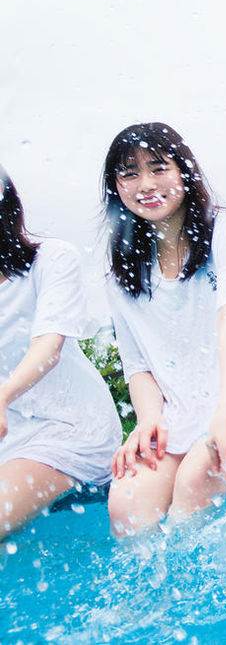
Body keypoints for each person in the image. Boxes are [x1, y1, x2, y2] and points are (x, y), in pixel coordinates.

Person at [103, 123, 226, 535]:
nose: (145, 184)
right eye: (129, 174)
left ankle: (200, 577)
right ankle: (154, 580)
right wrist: (148, 418)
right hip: (182, 414)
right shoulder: (123, 266)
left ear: (184, 171)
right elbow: (137, 363)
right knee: (126, 501)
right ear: (115, 187)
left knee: (196, 478)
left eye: (159, 168)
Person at [0, 166, 120, 540]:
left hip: (69, 428)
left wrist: (3, 396)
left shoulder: (50, 260)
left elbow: (48, 348)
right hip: (9, 437)